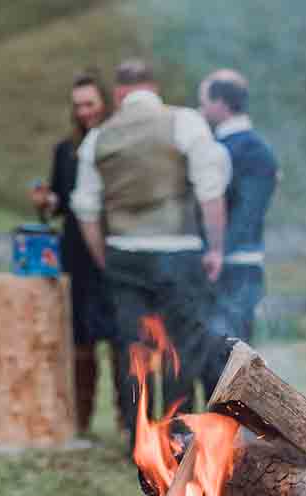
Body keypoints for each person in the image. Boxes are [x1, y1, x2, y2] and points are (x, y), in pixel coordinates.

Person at [71, 58, 232, 444]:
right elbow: (211, 191)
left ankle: (140, 440)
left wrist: (104, 258)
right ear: (153, 88)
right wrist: (215, 249)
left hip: (124, 254)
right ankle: (180, 436)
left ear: (119, 94)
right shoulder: (185, 121)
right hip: (178, 252)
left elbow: (86, 209)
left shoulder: (98, 137)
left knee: (133, 350)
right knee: (183, 346)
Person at [30, 71, 121, 434]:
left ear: (105, 104)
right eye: (79, 105)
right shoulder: (65, 150)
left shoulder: (117, 144)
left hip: (111, 250)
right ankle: (80, 420)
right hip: (75, 254)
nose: (84, 112)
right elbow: (59, 201)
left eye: (90, 104)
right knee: (79, 341)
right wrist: (46, 201)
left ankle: (126, 420)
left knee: (118, 340)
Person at [198, 69, 279, 352]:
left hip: (234, 266)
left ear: (221, 103)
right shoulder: (250, 148)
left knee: (230, 355)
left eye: (204, 102)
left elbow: (248, 212)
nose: (201, 109)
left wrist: (218, 253)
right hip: (234, 264)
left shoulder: (243, 149)